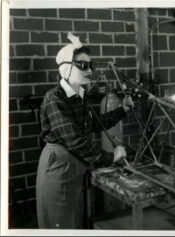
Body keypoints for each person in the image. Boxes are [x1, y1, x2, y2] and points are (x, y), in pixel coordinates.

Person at [36, 33, 134, 229]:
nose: (89, 70)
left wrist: (122, 110)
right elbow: (75, 140)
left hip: (73, 168)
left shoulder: (79, 96)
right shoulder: (54, 99)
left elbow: (94, 124)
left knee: (73, 223)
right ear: (66, 68)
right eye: (83, 66)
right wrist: (111, 156)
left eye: (91, 65)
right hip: (59, 169)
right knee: (60, 226)